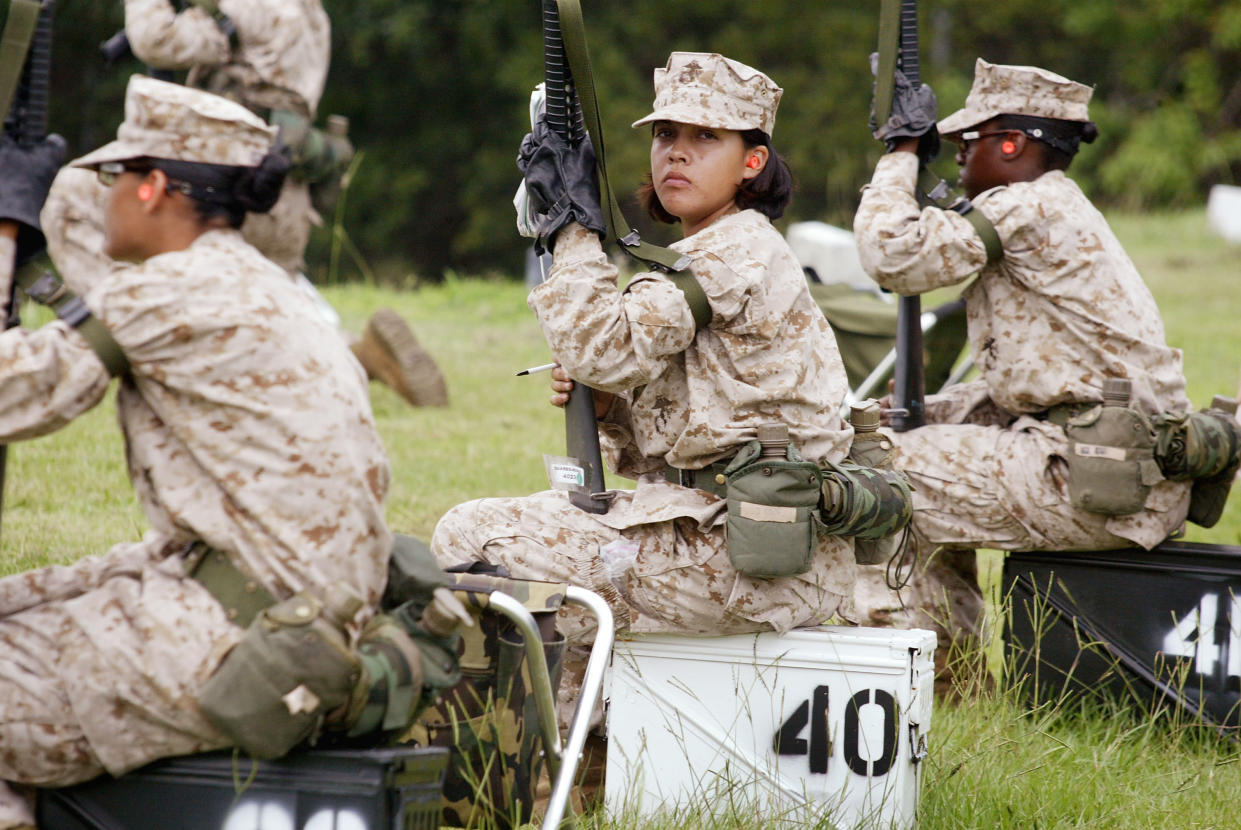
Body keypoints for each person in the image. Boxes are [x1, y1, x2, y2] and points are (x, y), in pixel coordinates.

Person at [432, 52, 872, 730]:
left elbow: (596, 346)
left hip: (753, 561)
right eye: (666, 135)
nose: (677, 154)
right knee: (550, 551)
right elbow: (680, 444)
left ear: (751, 162)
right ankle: (586, 765)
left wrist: (572, 227)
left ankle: (494, 758)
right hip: (736, 542)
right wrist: (612, 407)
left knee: (470, 533)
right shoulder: (709, 253)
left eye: (705, 138)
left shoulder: (733, 252)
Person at [0, 77, 396, 829]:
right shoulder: (269, 286)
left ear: (151, 188)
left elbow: (22, 392)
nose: (106, 195)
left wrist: (5, 238)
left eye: (116, 177)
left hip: (239, 635)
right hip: (285, 612)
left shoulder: (174, 292)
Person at [851, 59, 1235, 692]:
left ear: (1011, 143)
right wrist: (943, 410)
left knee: (883, 479)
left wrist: (899, 155)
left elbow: (892, 256)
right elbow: (1044, 383)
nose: (955, 158)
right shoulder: (1057, 208)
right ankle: (951, 681)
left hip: (1097, 479)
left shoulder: (1026, 208)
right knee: (923, 457)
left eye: (965, 143)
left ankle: (911, 685)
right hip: (1110, 468)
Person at [39, 0, 448, 408]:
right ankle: (356, 356)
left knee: (71, 196)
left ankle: (137, 337)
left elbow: (156, 39)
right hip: (285, 199)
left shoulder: (248, 6)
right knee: (271, 321)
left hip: (216, 188)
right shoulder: (311, 14)